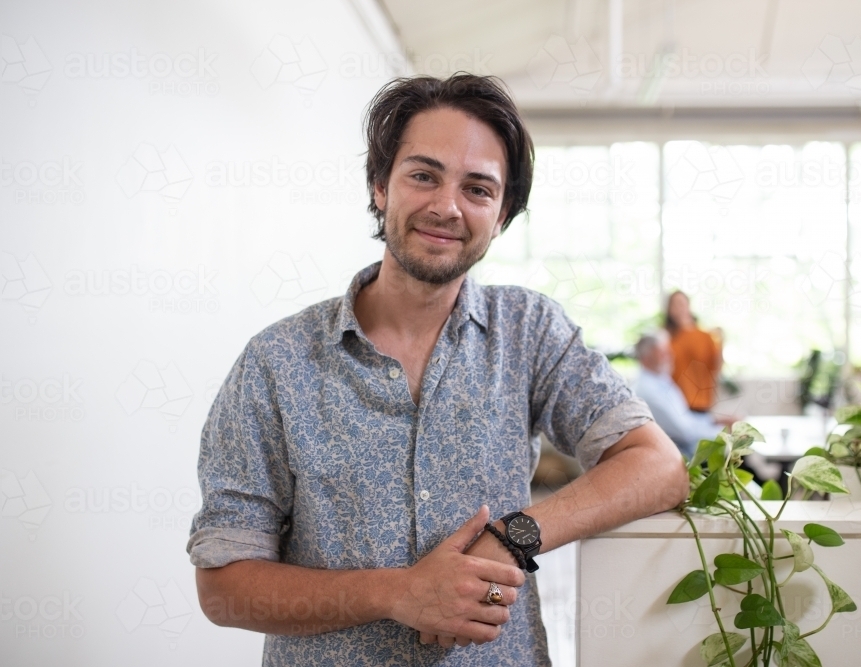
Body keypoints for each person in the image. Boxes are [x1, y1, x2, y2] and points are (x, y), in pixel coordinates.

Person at [186, 74, 688, 666]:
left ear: (501, 216)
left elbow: (657, 466)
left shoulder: (528, 330)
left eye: (478, 189)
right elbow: (224, 588)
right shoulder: (276, 362)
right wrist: (397, 592)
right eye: (423, 175)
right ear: (380, 186)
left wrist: (512, 539)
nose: (446, 206)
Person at [633, 332, 728, 458]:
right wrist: (723, 432)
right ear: (646, 359)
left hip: (691, 448)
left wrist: (715, 421)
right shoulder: (647, 390)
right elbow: (684, 432)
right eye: (663, 352)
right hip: (683, 456)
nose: (670, 355)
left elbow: (686, 419)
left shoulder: (662, 379)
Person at [664, 290, 723, 412]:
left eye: (681, 303)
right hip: (674, 403)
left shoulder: (705, 337)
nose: (678, 308)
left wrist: (722, 342)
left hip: (700, 403)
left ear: (689, 306)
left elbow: (716, 367)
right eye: (674, 305)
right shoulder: (665, 338)